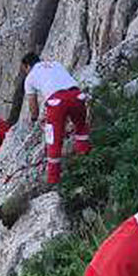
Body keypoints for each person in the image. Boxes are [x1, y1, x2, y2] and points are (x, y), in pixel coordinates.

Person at [20, 52, 90, 184]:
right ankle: (85, 161)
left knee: (54, 141)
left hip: (56, 102)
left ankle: (53, 180)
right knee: (81, 130)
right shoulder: (56, 64)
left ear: (27, 66)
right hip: (77, 96)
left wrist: (35, 119)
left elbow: (32, 104)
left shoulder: (30, 78)